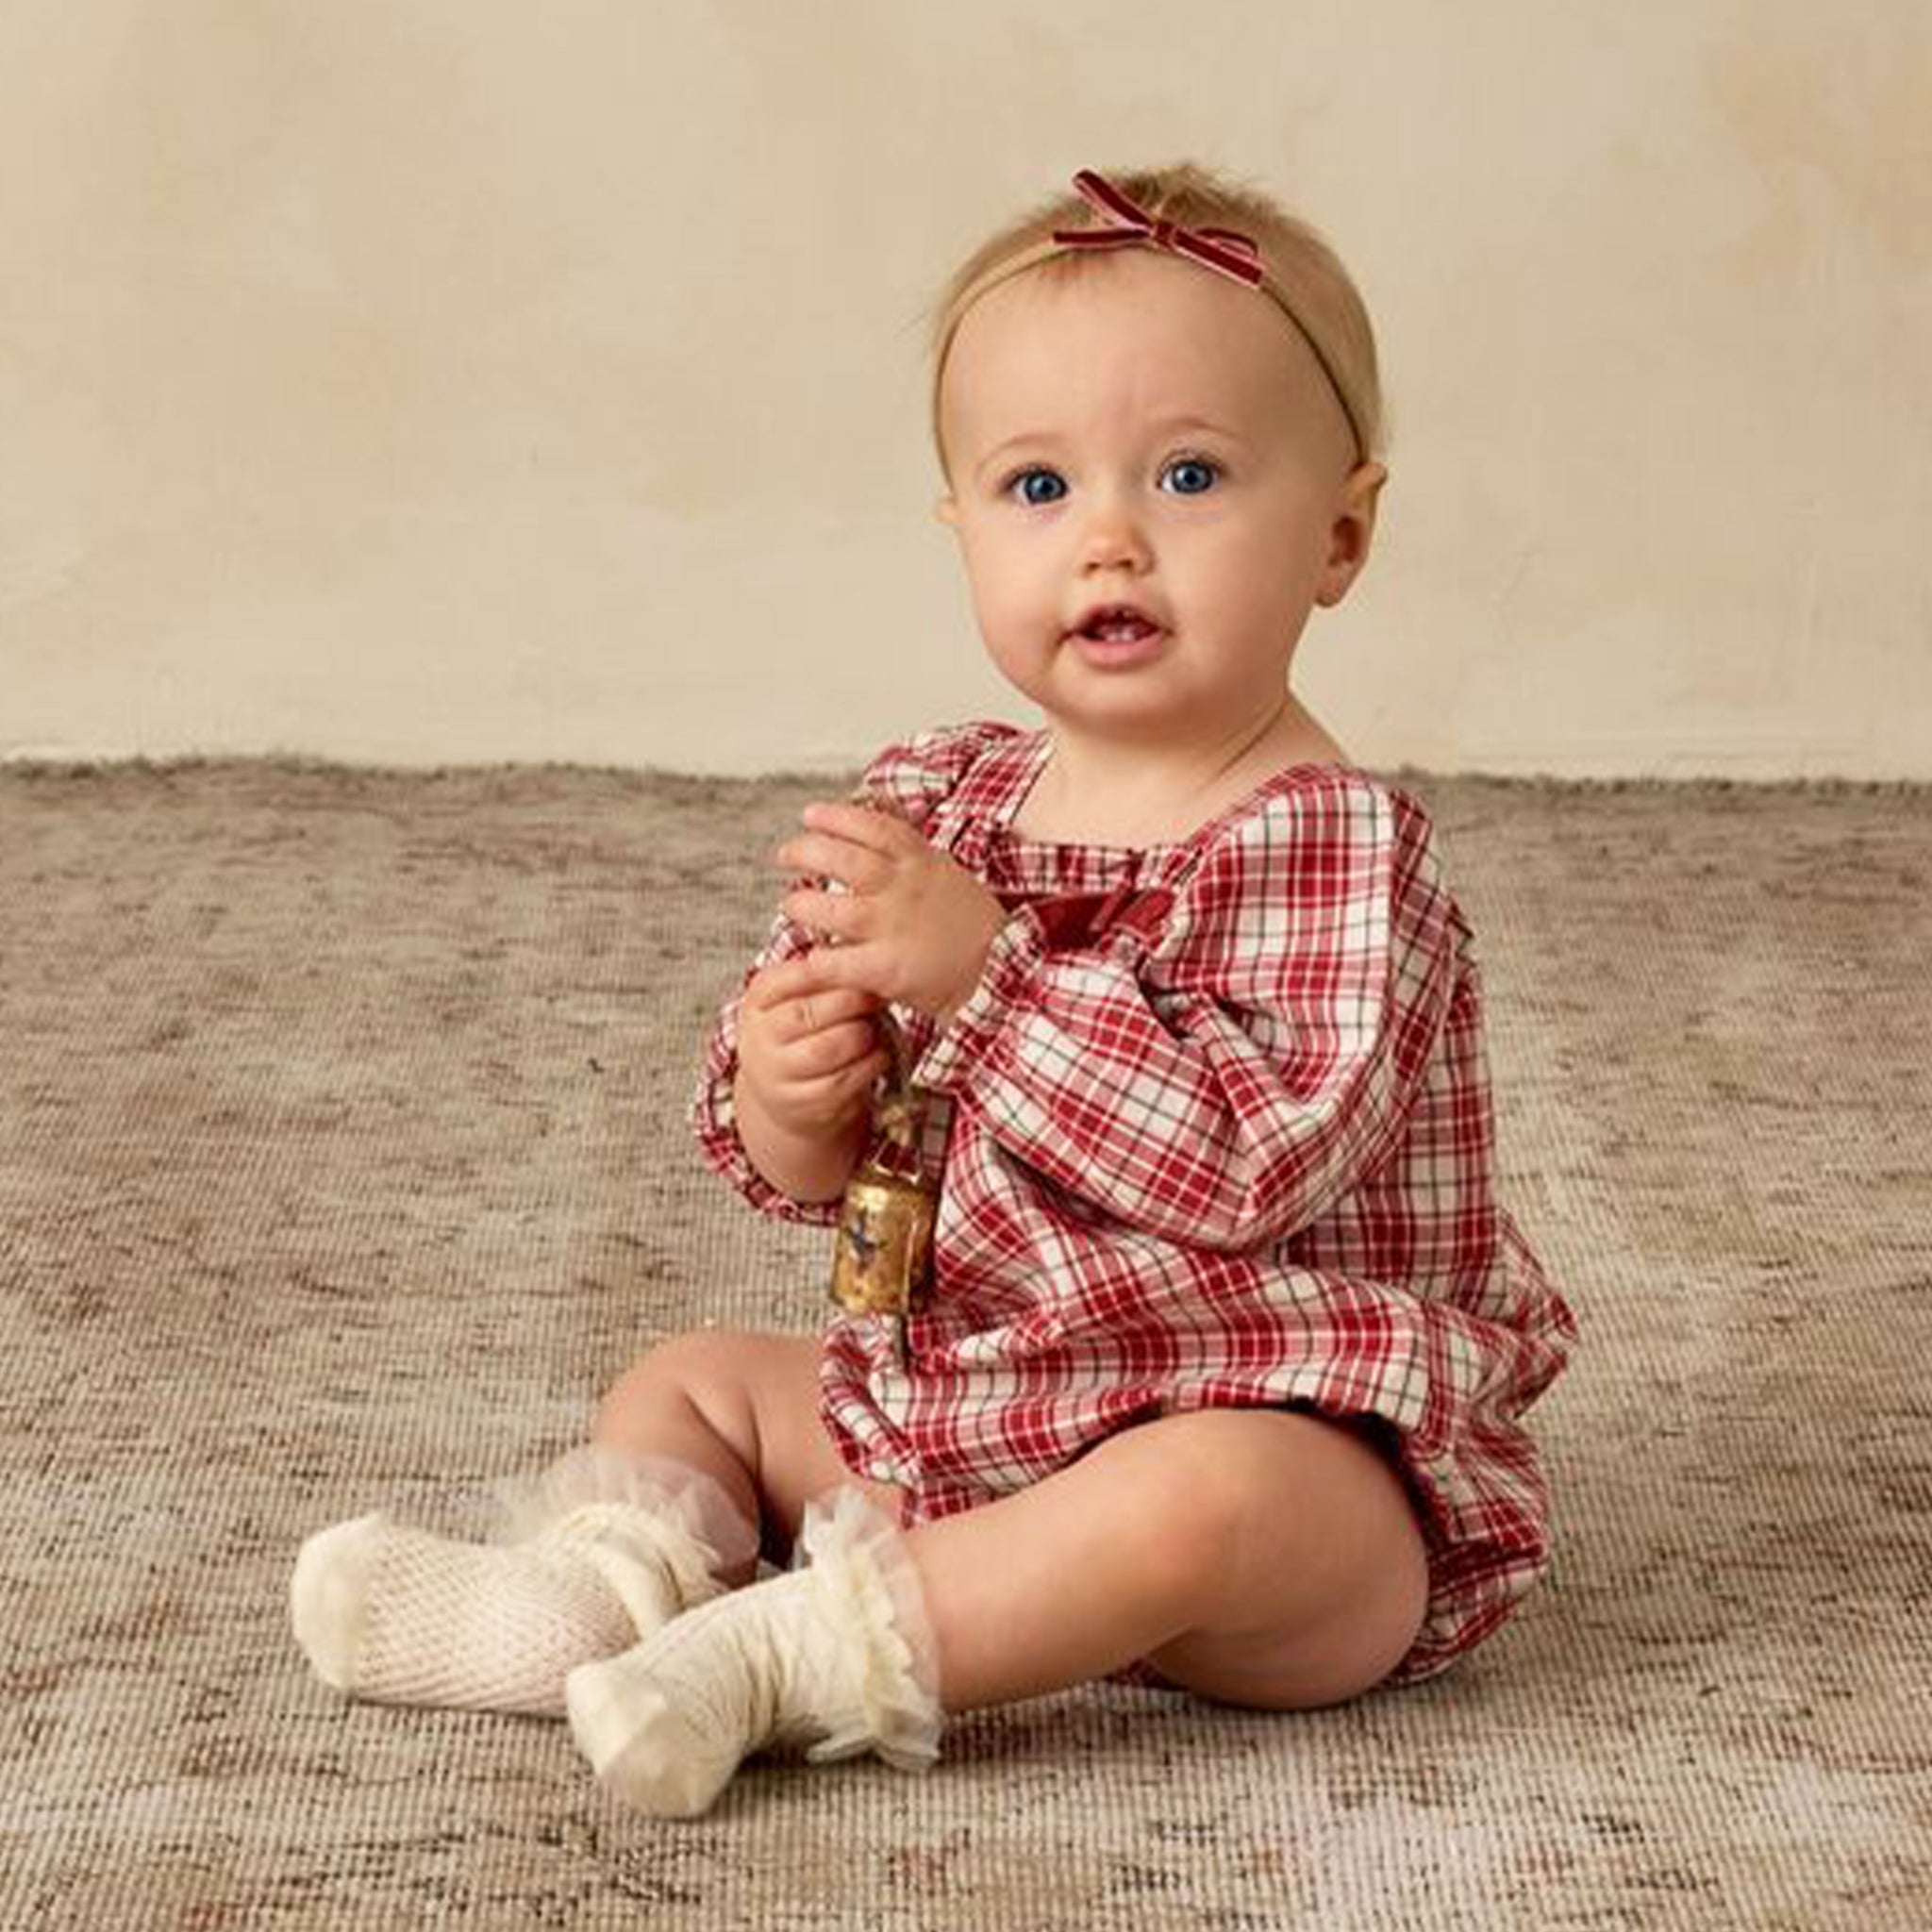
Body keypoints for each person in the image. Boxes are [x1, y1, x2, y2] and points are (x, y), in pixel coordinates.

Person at [291, 163, 1576, 1819]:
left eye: (1189, 474)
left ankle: (781, 1660)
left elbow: (1245, 1165)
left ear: (1339, 532)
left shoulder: (1331, 845)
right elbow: (827, 1169)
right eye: (1037, 485)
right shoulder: (942, 804)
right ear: (962, 529)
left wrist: (987, 974)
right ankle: (592, 1601)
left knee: (1214, 1496)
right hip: (977, 1413)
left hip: (1280, 1458)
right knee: (696, 1383)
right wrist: (791, 1085)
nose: (1108, 534)